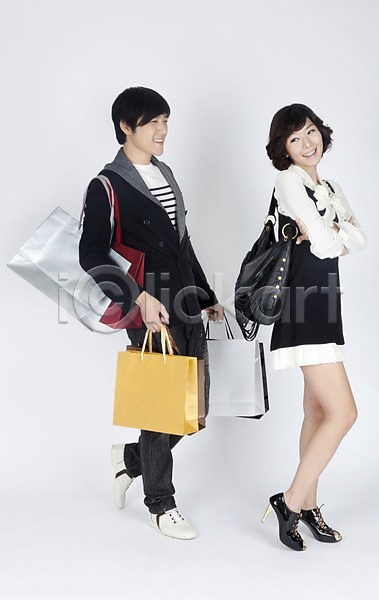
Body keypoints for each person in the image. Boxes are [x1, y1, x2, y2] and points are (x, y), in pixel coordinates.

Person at [79, 86, 223, 540]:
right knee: (162, 410)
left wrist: (205, 295)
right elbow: (91, 253)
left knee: (194, 408)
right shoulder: (106, 185)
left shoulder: (165, 173)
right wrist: (138, 298)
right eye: (152, 122)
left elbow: (182, 243)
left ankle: (128, 459)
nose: (162, 130)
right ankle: (160, 505)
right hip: (149, 309)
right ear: (126, 126)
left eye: (165, 120)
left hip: (185, 301)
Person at [261, 104, 366, 551]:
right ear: (283, 149)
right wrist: (333, 234)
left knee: (319, 412)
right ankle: (289, 502)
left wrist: (332, 232)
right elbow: (324, 244)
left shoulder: (331, 187)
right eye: (294, 139)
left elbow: (359, 238)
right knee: (345, 413)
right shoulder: (288, 181)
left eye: (309, 132)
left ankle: (307, 504)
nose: (307, 143)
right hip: (302, 306)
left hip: (324, 302)